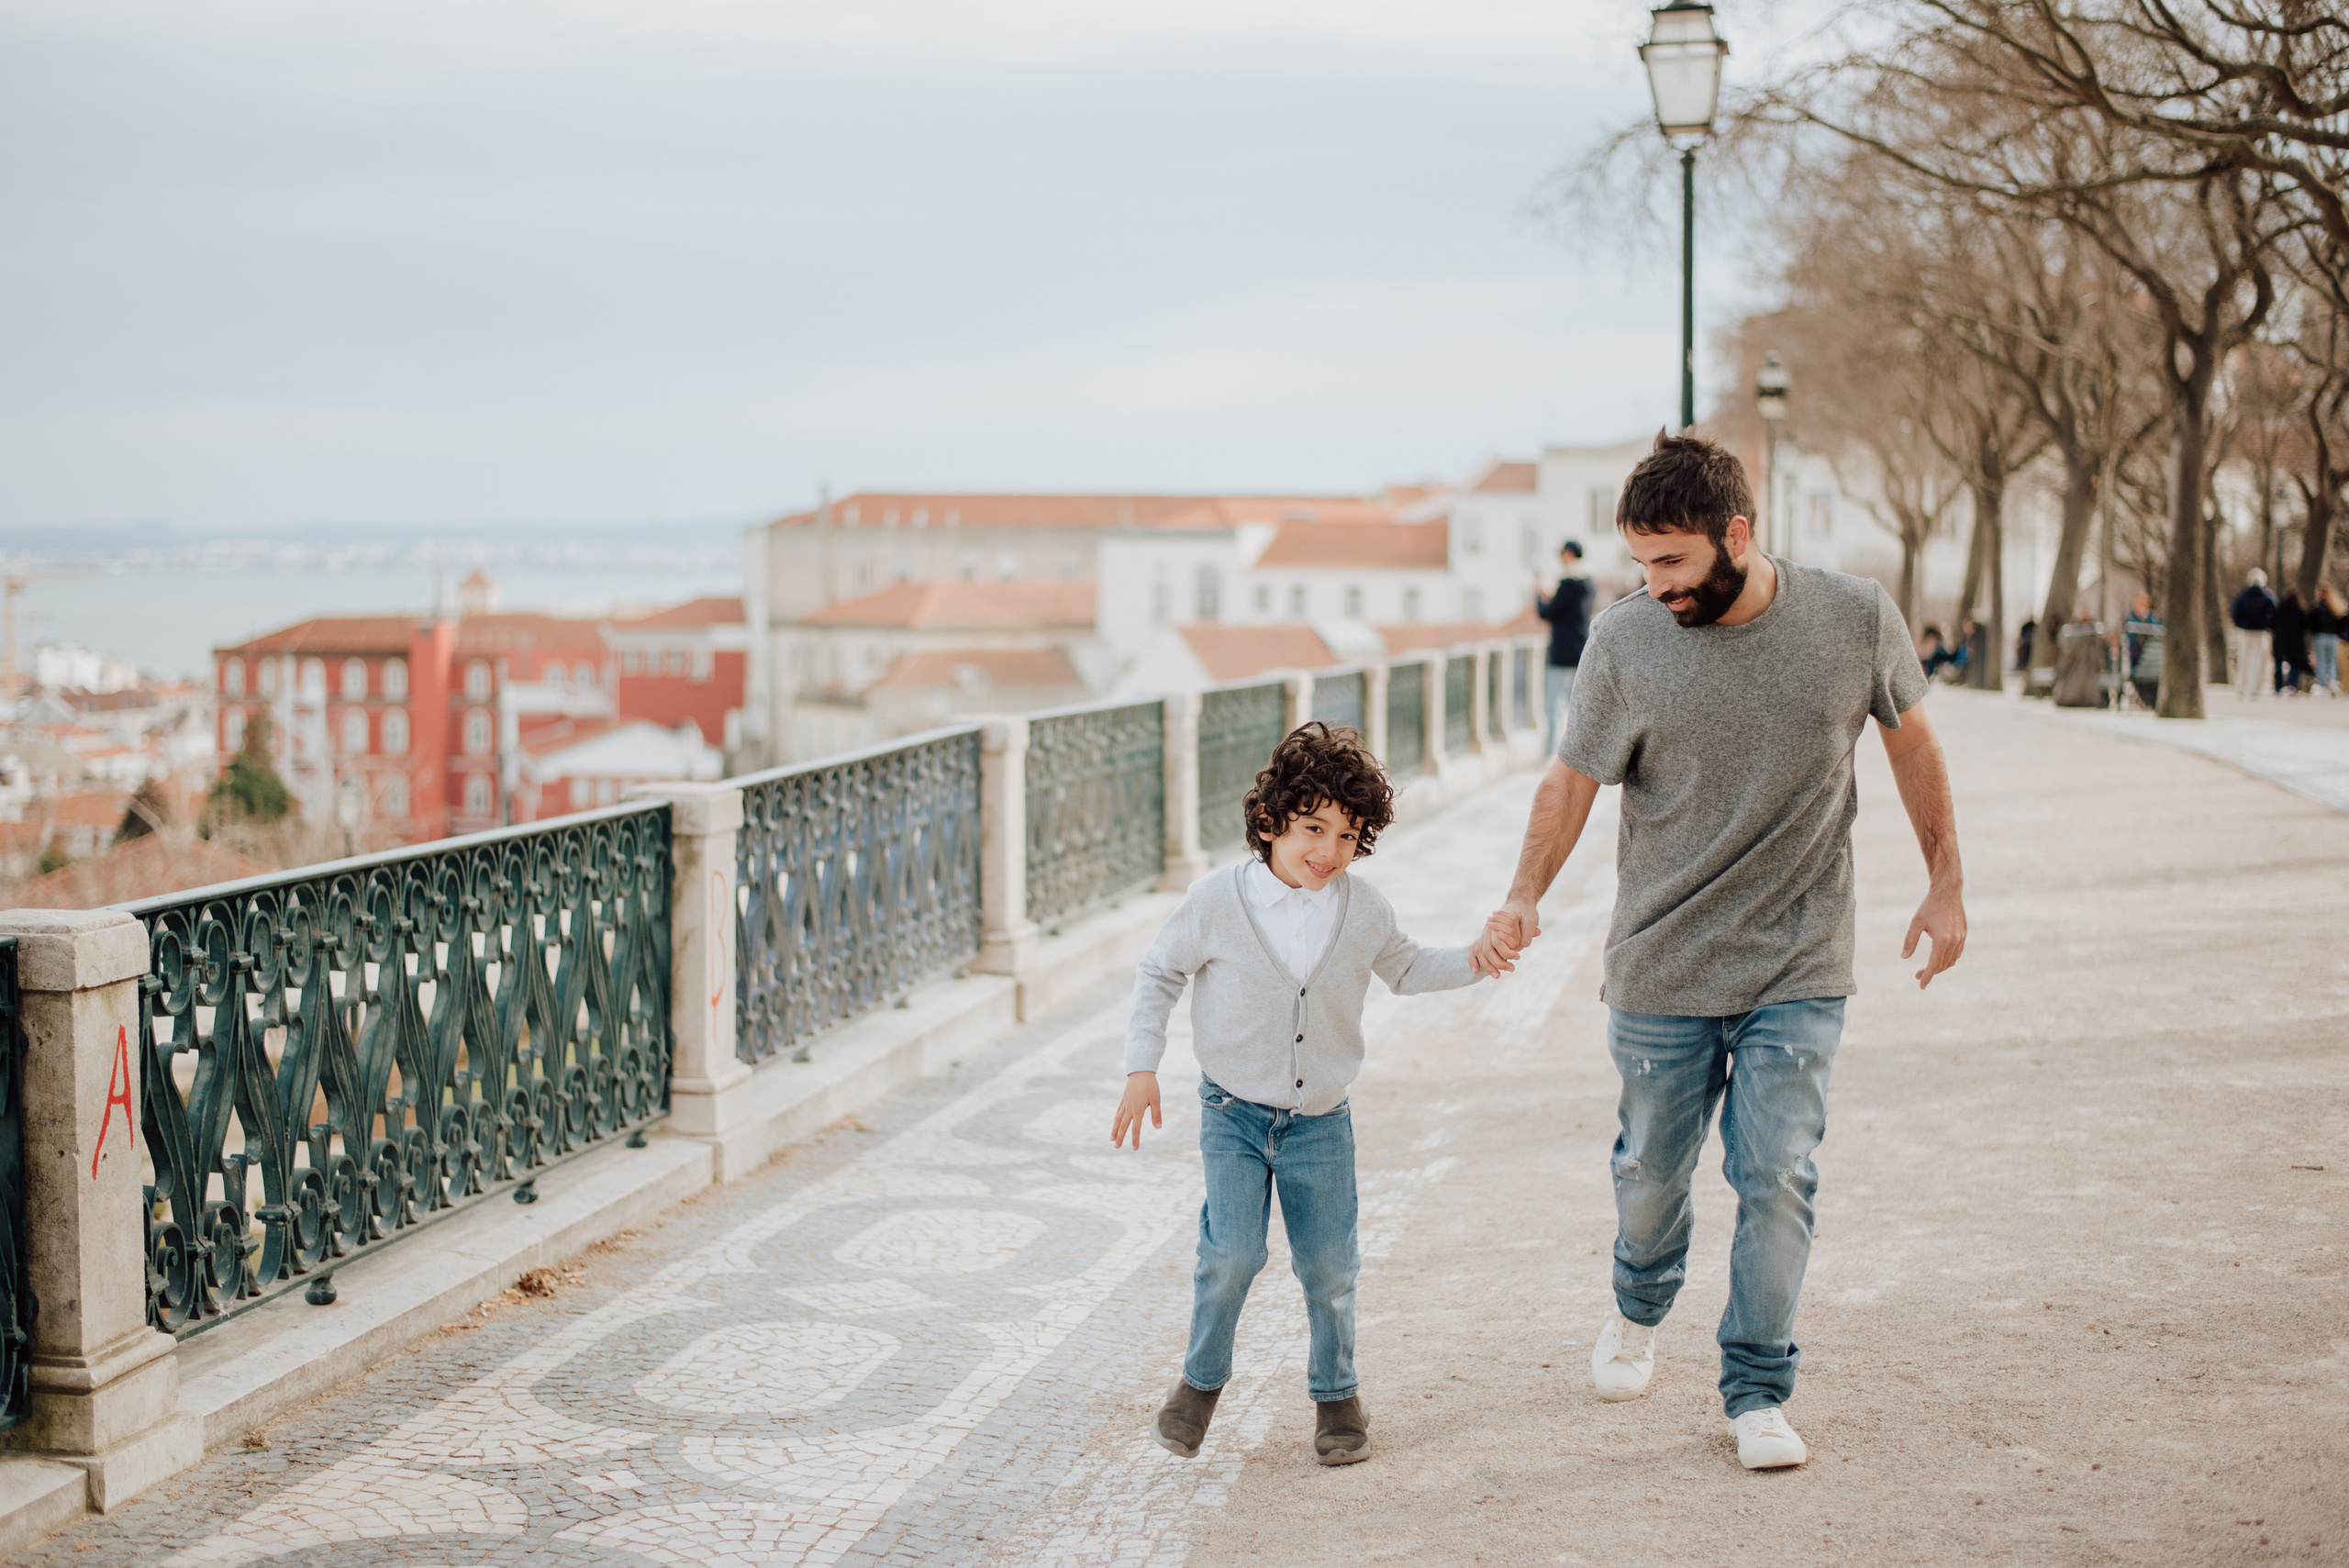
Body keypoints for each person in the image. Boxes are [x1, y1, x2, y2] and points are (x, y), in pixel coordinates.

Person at [1473, 433, 1965, 1473]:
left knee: (1775, 1171)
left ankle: (1756, 1388)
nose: (1652, 587)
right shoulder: (1623, 640)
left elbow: (1913, 741)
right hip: (1660, 960)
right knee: (1651, 1172)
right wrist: (1522, 894)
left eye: (1672, 562)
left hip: (1799, 955)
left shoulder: (1853, 617)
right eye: (1640, 563)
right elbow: (1570, 782)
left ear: (1735, 533)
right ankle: (1638, 1303)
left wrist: (1945, 880)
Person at [1113, 721, 1490, 1468]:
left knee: (1330, 1267)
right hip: (1233, 1115)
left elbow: (1410, 968)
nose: (1330, 850)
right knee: (1233, 1255)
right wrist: (1141, 1065)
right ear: (1268, 821)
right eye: (1314, 827)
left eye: (1348, 835)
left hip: (1322, 1121)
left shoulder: (1364, 908)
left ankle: (1337, 1394)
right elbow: (1159, 972)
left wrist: (1479, 958)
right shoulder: (1216, 900)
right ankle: (1199, 1383)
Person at [1536, 541, 1595, 740]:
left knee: (1553, 702)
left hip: (1562, 651)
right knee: (1576, 704)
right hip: (1581, 649)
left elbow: (1548, 612)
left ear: (1569, 555)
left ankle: (1552, 750)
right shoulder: (1588, 582)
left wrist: (1539, 595)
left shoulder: (1568, 582)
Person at [2231, 569, 2277, 701]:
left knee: (2243, 659)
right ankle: (2253, 688)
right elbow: (2274, 612)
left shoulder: (2243, 595)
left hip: (2244, 631)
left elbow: (2235, 612)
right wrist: (2266, 625)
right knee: (2255, 661)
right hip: (2259, 632)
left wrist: (2240, 624)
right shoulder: (2267, 595)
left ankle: (2241, 687)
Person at [2123, 593, 2164, 709]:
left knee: (2151, 678)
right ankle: (2144, 699)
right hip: (2136, 654)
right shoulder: (2131, 617)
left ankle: (2150, 700)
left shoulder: (2152, 618)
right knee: (2139, 676)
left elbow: (2157, 632)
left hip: (2151, 656)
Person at [2271, 590, 2310, 695]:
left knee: (2278, 665)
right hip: (2295, 643)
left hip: (2280, 642)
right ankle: (2291, 685)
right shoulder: (2299, 611)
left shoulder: (2279, 609)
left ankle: (2278, 687)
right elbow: (2306, 625)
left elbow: (2271, 623)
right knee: (2294, 665)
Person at [2310, 584, 2344, 695]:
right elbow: (2341, 622)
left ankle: (2322, 685)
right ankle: (2332, 682)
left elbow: (2311, 622)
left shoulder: (2317, 607)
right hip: (2333, 637)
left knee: (2321, 661)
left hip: (2320, 636)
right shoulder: (2335, 606)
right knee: (2331, 661)